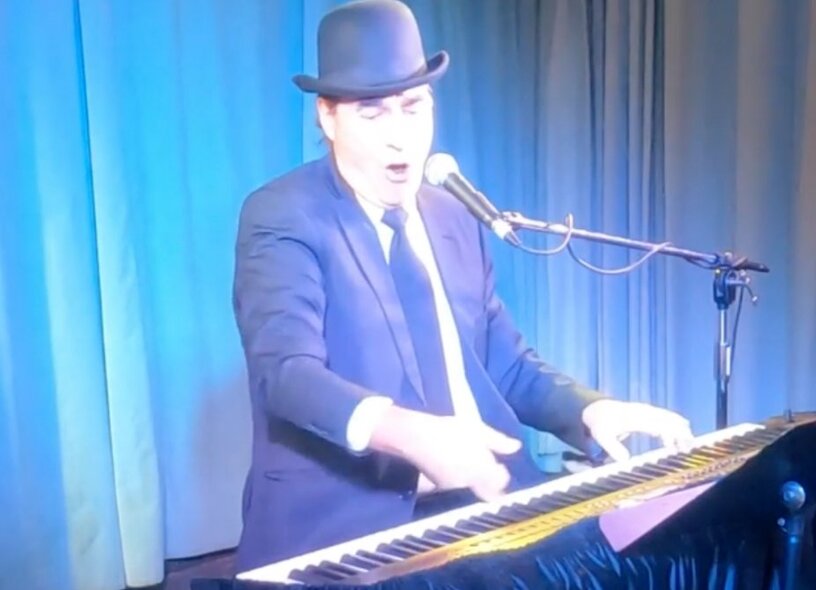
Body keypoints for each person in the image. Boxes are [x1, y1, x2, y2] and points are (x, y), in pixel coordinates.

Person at [232, 0, 692, 573]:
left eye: (414, 108)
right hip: (347, 525)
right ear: (327, 118)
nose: (401, 137)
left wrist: (593, 411)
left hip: (482, 504)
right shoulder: (283, 214)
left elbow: (507, 365)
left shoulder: (452, 216)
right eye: (373, 114)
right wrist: (412, 435)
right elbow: (286, 373)